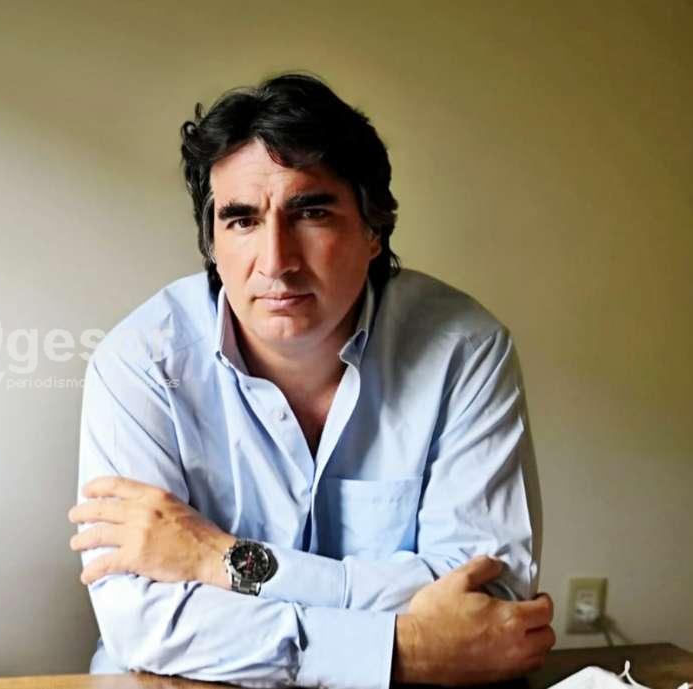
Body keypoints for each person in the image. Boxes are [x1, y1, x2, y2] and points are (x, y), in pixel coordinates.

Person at [69, 73, 553, 688]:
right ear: (212, 242)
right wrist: (402, 650)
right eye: (242, 220)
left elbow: (487, 599)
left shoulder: (463, 350)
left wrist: (222, 560)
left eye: (312, 213)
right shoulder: (141, 363)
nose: (277, 261)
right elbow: (142, 624)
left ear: (374, 228)